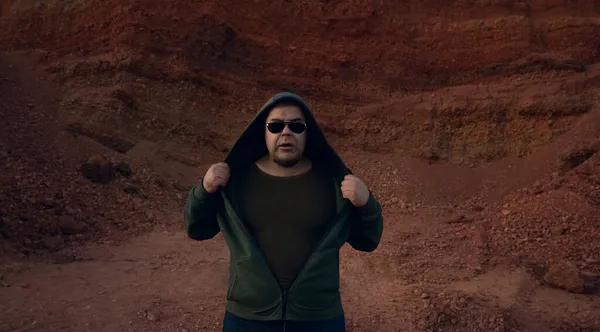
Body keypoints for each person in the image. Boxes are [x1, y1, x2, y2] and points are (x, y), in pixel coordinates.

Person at [184, 91, 384, 332]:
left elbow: (368, 240)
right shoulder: (235, 181)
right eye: (276, 125)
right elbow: (197, 228)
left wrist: (366, 203)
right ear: (264, 132)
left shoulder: (334, 183)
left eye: (296, 126)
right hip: (248, 319)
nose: (286, 132)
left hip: (319, 319)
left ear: (308, 133)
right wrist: (204, 191)